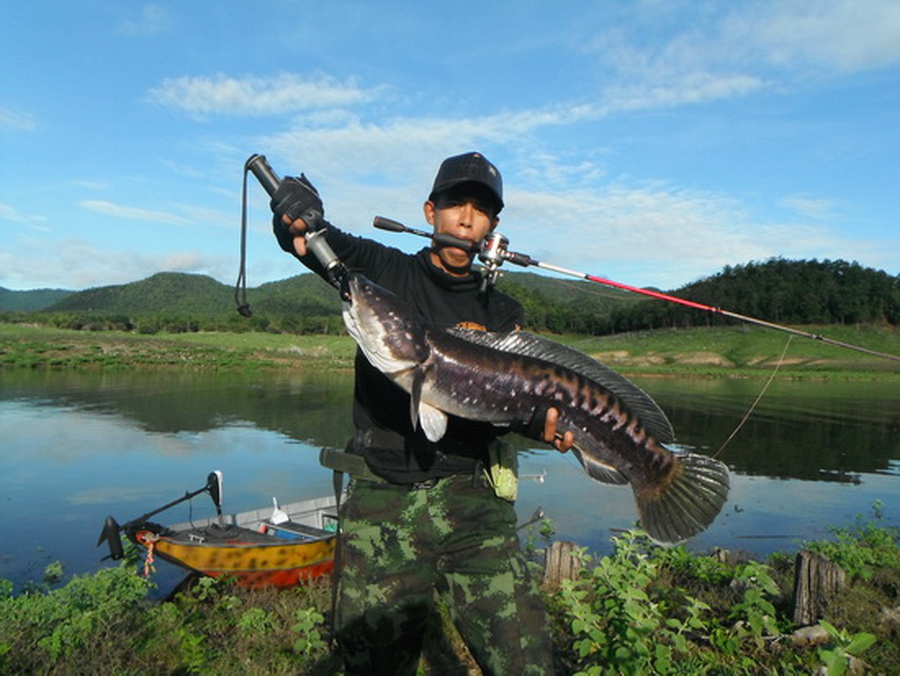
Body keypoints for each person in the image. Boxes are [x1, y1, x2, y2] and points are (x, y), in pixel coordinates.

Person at [271, 151, 572, 675]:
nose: (467, 217)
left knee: (527, 663)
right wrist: (293, 214)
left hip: (475, 502)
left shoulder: (502, 314)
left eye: (481, 209)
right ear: (431, 211)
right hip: (382, 494)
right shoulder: (383, 269)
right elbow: (310, 244)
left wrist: (545, 429)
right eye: (456, 203)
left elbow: (514, 412)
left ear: (493, 227)